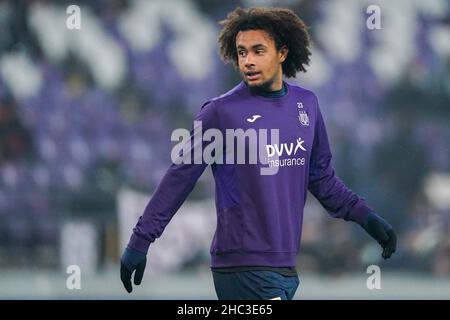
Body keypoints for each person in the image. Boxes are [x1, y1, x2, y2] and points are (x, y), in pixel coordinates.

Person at [120, 7, 397, 300]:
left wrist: (368, 219)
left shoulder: (307, 105)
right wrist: (141, 240)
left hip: (286, 267)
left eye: (258, 51)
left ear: (282, 52)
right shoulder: (220, 112)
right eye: (241, 52)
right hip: (241, 266)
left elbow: (322, 180)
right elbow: (180, 177)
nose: (248, 61)